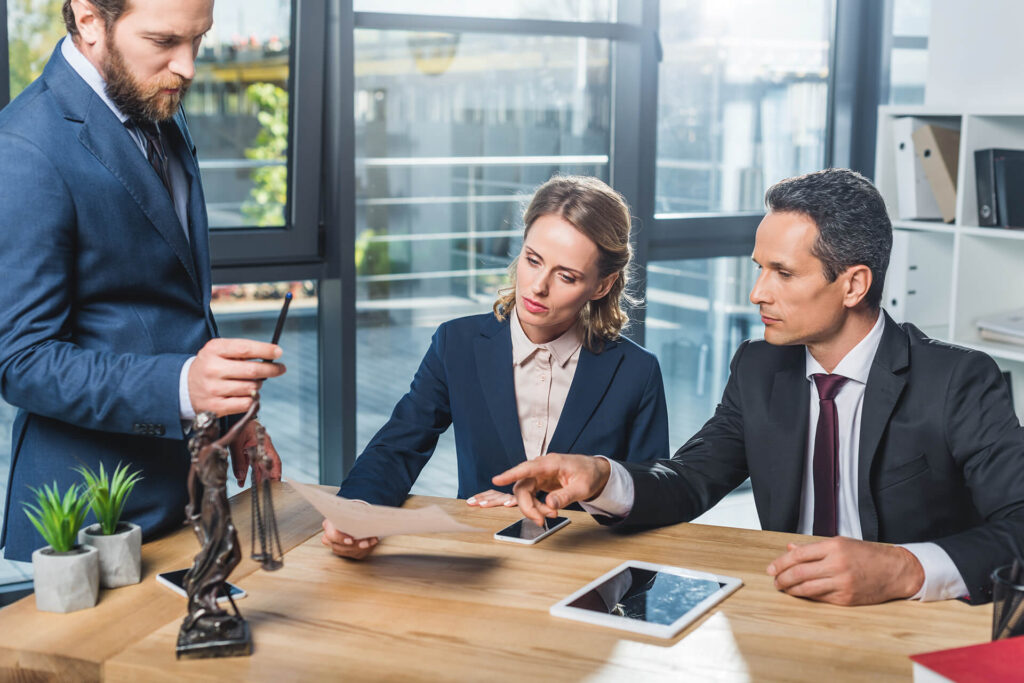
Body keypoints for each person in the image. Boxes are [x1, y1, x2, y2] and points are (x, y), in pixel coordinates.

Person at [495, 168, 1024, 606]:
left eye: (783, 273)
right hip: (785, 611)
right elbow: (686, 480)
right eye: (758, 269)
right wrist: (601, 476)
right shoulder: (759, 368)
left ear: (854, 284)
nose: (756, 293)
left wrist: (907, 567)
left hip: (912, 626)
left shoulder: (957, 381)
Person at [0, 0, 285, 561]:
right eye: (164, 42)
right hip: (90, 524)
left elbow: (168, 298)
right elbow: (21, 361)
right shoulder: (23, 147)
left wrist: (229, 411)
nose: (188, 67)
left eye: (198, 41)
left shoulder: (155, 101)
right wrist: (184, 388)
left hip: (190, 496)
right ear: (88, 21)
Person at [324, 175, 669, 559]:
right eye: (532, 260)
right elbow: (398, 446)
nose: (538, 286)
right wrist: (357, 508)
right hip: (479, 562)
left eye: (566, 276)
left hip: (584, 568)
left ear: (602, 286)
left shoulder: (637, 372)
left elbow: (651, 500)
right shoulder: (456, 344)